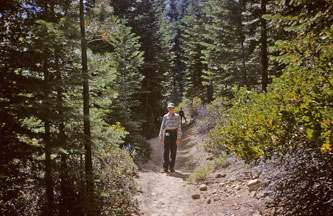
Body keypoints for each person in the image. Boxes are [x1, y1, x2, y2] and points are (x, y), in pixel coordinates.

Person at [159, 103, 182, 173]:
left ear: (174, 108)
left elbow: (179, 127)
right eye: (169, 108)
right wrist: (160, 137)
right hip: (167, 133)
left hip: (174, 134)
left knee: (173, 151)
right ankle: (165, 167)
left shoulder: (177, 116)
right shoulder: (165, 116)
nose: (170, 109)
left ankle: (171, 167)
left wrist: (178, 138)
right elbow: (162, 127)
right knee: (166, 150)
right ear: (167, 108)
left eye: (172, 108)